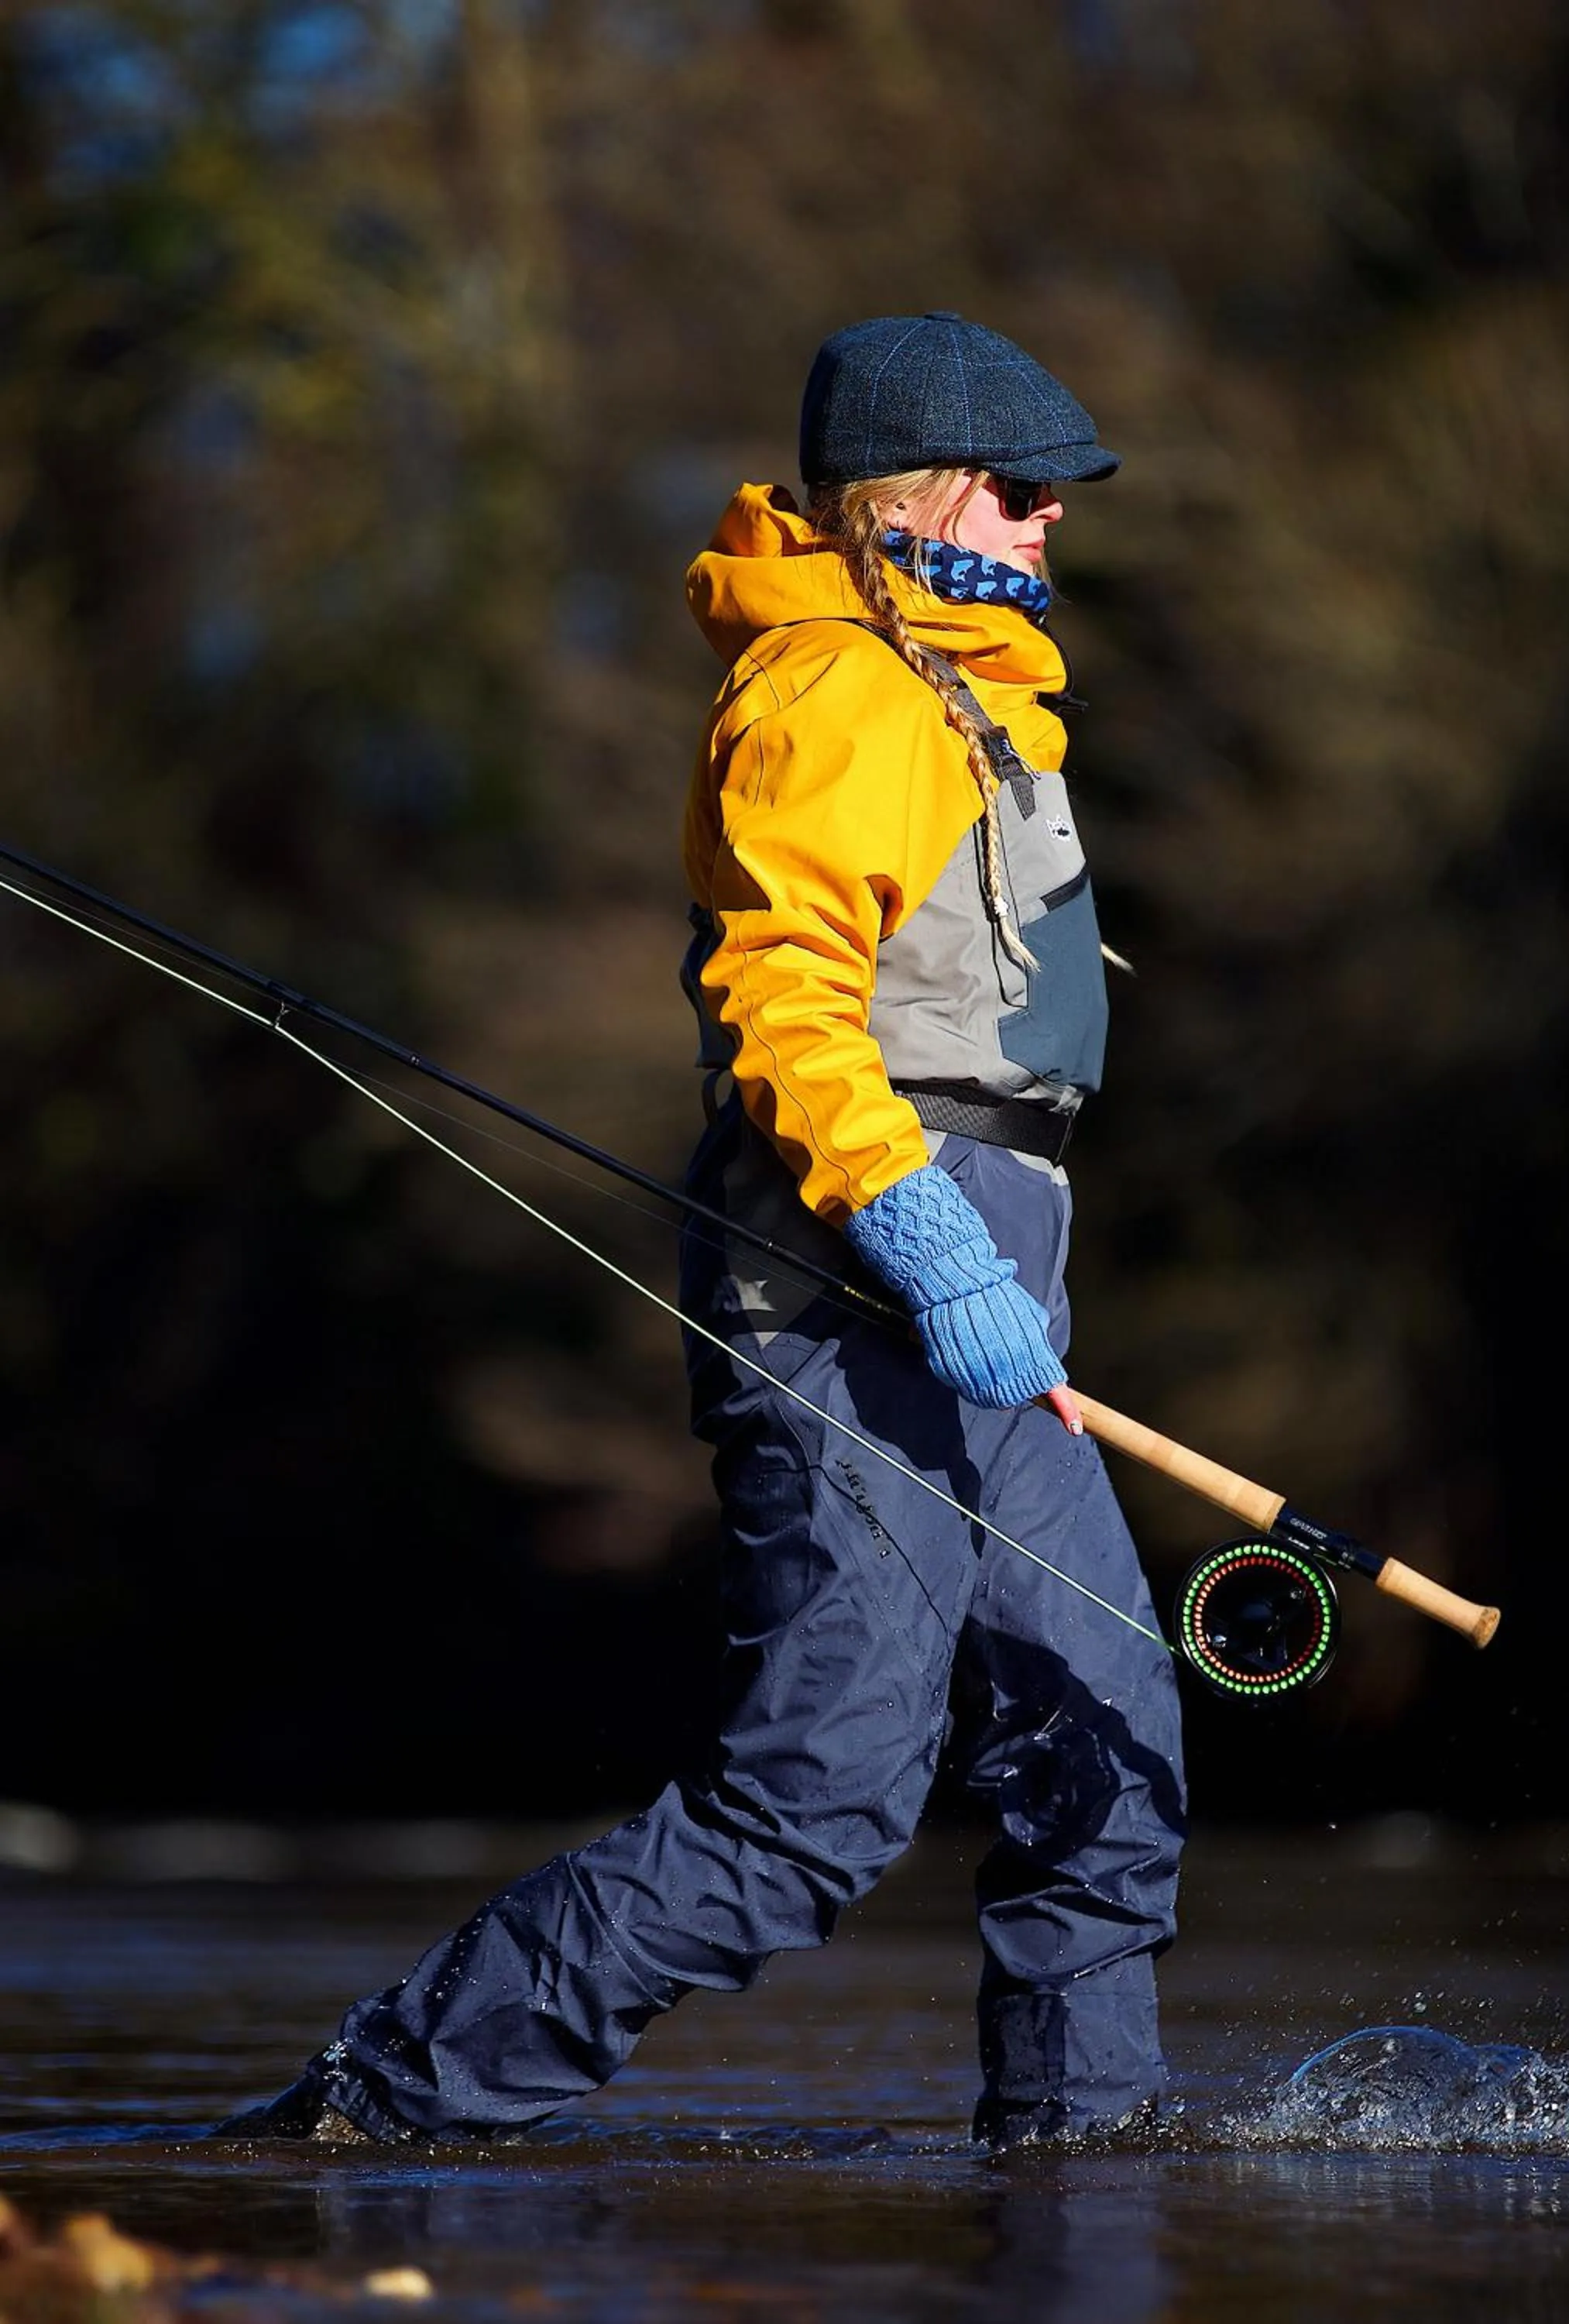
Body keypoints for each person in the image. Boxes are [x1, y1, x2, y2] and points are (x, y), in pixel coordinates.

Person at [221, 311, 1186, 2152]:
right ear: (905, 501)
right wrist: (926, 1237)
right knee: (820, 1799)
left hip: (992, 1284)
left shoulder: (970, 696)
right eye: (1021, 486)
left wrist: (982, 1263)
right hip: (846, 1280)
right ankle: (383, 2106)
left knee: (1105, 1743)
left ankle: (1086, 2163)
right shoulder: (837, 692)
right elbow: (786, 1002)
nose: (1053, 514)